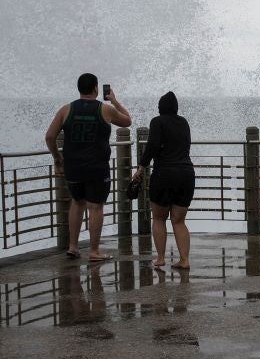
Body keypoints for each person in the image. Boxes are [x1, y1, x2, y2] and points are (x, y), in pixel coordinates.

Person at [45, 73, 132, 261]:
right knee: (95, 206)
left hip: (73, 167)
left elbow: (50, 136)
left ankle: (73, 247)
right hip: (97, 168)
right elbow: (127, 121)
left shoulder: (66, 110)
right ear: (95, 89)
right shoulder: (105, 109)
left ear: (79, 88)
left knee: (77, 202)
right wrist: (114, 100)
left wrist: (57, 158)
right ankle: (94, 251)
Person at [132, 91, 195, 269]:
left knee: (159, 218)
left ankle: (160, 258)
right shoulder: (183, 122)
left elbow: (152, 146)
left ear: (160, 108)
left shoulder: (157, 121)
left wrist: (141, 167)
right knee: (179, 220)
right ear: (176, 108)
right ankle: (184, 260)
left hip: (164, 174)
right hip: (186, 174)